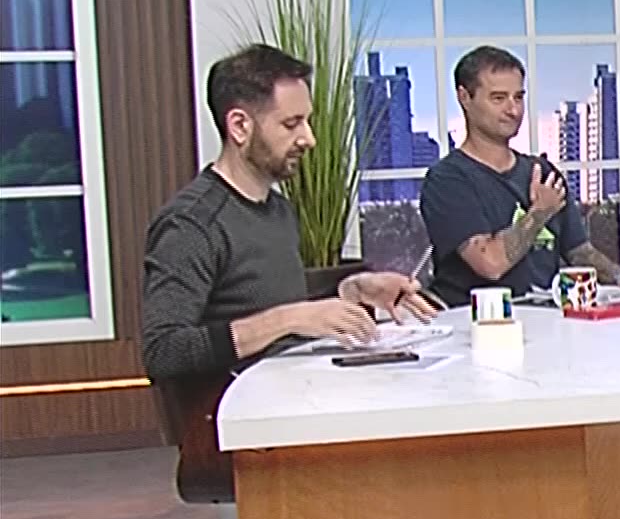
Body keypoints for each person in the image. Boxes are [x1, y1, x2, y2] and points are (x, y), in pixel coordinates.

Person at [141, 44, 437, 381]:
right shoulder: (192, 224)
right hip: (236, 407)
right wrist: (286, 320)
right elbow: (163, 352)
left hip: (298, 391)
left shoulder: (278, 210)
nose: (309, 139)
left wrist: (351, 291)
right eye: (291, 124)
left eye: (306, 122)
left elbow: (265, 297)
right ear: (239, 126)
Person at [420, 46, 620, 307]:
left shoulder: (543, 173)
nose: (513, 110)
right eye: (498, 98)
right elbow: (490, 263)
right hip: (477, 321)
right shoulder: (448, 180)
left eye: (518, 97)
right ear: (465, 97)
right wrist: (540, 212)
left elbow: (579, 253)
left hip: (546, 318)